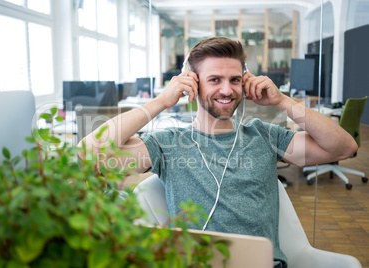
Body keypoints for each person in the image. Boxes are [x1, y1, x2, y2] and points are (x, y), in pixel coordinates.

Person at [78, 37, 357, 267]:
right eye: (215, 80)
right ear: (193, 84)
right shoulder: (169, 143)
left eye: (235, 80)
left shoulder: (263, 134)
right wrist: (161, 101)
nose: (227, 90)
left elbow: (344, 147)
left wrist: (282, 101)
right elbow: (89, 153)